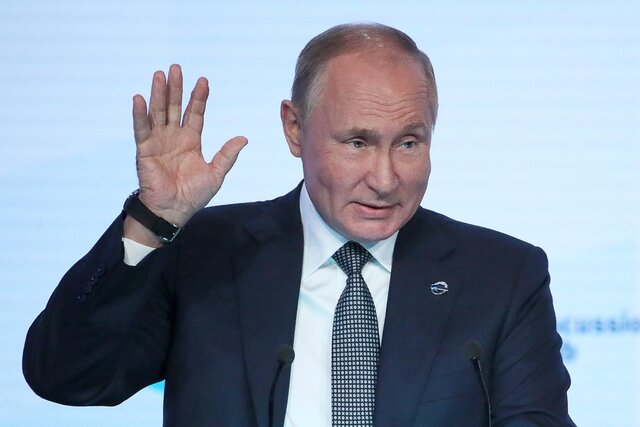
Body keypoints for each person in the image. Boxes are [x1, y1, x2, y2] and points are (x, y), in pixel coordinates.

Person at [23, 23, 575, 426]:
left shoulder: (503, 276)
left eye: (409, 143)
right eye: (357, 142)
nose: (385, 179)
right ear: (294, 129)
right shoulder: (204, 254)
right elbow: (67, 376)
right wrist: (152, 223)